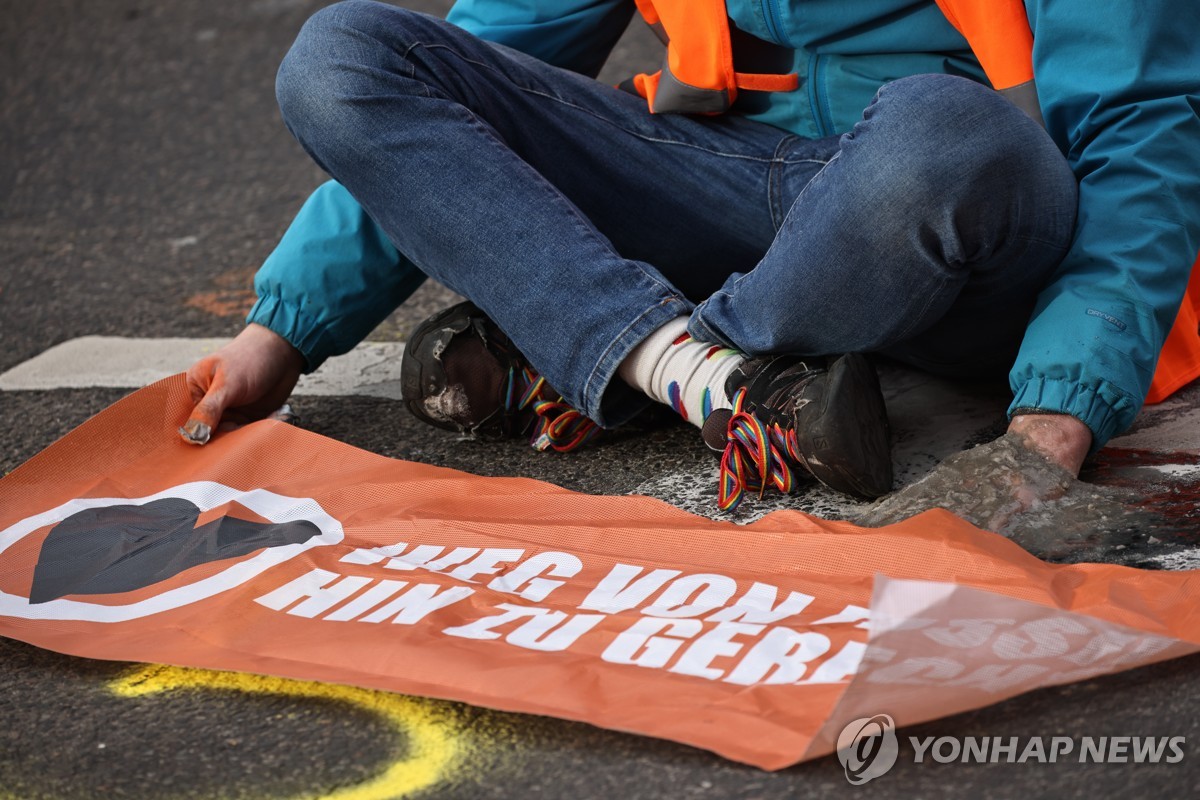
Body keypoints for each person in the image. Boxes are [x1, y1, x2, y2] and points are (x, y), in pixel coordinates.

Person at [180, 0, 1200, 528]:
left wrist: (1058, 413)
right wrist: (283, 325)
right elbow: (477, 63)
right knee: (347, 56)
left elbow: (1139, 129)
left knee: (943, 138)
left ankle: (604, 337)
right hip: (720, 181)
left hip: (956, 224)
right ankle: (701, 371)